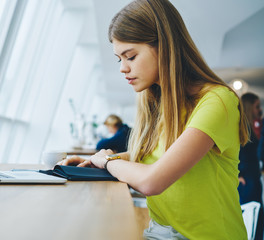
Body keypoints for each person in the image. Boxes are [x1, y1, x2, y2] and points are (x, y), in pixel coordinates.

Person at [58, 0, 250, 239]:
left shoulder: (217, 101)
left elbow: (152, 181)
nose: (122, 68)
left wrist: (107, 162)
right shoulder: (156, 102)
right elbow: (154, 155)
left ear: (165, 46)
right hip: (160, 232)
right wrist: (95, 161)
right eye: (120, 59)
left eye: (131, 56)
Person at [239, 92, 264, 240]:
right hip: (246, 177)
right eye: (256, 106)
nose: (259, 109)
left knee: (258, 211)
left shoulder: (256, 126)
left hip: (254, 175)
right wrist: (238, 175)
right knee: (250, 214)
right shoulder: (243, 128)